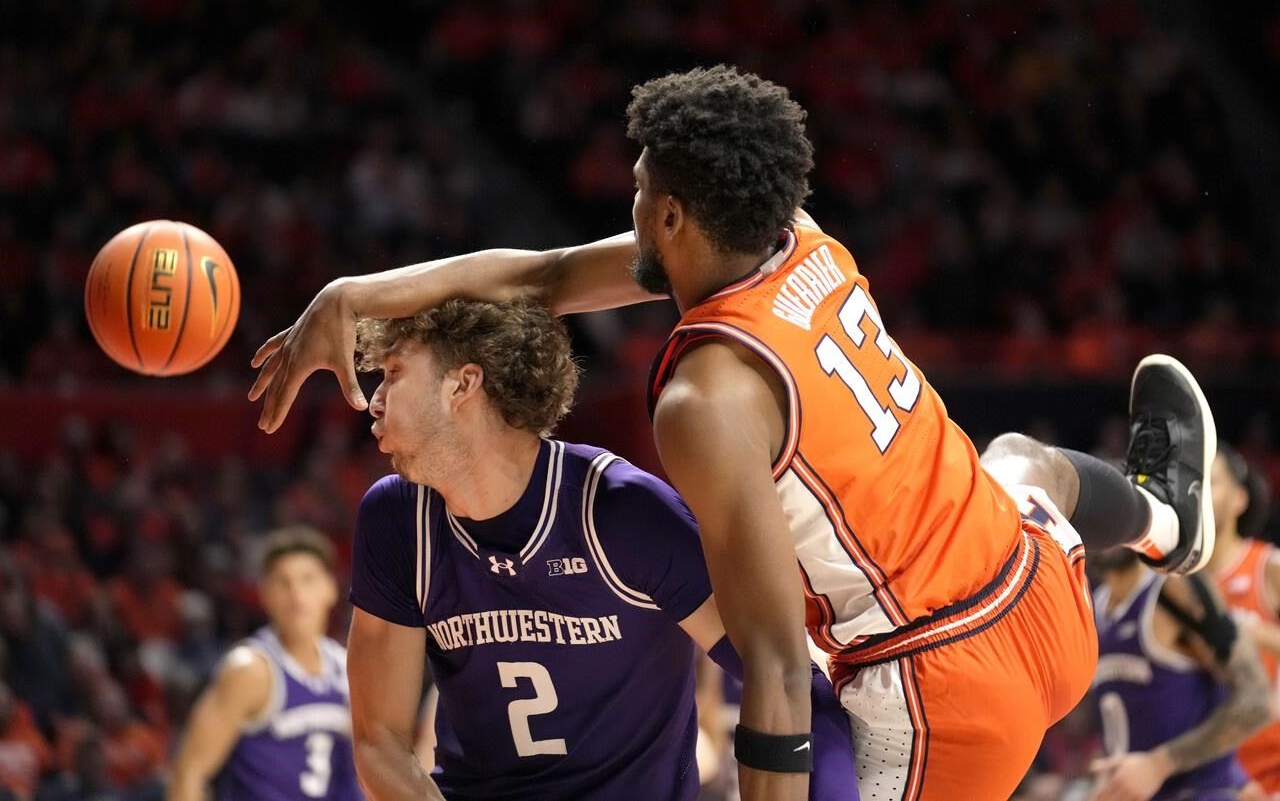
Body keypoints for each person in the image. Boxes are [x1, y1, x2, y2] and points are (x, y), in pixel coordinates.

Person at [250, 65, 1217, 800]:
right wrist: (353, 296)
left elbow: (777, 666)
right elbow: (542, 275)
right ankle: (1167, 519)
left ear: (669, 215)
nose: (626, 209)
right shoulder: (794, 231)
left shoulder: (704, 402)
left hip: (939, 697)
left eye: (636, 194)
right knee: (1020, 458)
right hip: (1041, 593)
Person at [344, 298, 856, 800]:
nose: (376, 399)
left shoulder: (620, 513)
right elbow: (379, 740)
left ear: (463, 384)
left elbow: (789, 678)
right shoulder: (398, 519)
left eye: (393, 372)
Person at [168, 527, 361, 801]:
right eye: (283, 582)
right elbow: (189, 773)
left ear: (331, 588)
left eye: (308, 580)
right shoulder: (249, 670)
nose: (296, 594)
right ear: (264, 594)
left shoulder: (346, 669)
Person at [1089, 547, 1269, 800]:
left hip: (1204, 791)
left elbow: (1257, 701)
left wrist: (1158, 765)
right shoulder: (1091, 607)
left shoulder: (1175, 589)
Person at [1206, 444, 1280, 791]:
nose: (1199, 493)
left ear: (1239, 499)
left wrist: (1259, 634)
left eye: (1211, 482)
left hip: (1270, 774)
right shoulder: (1172, 584)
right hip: (1209, 776)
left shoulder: (1268, 566)